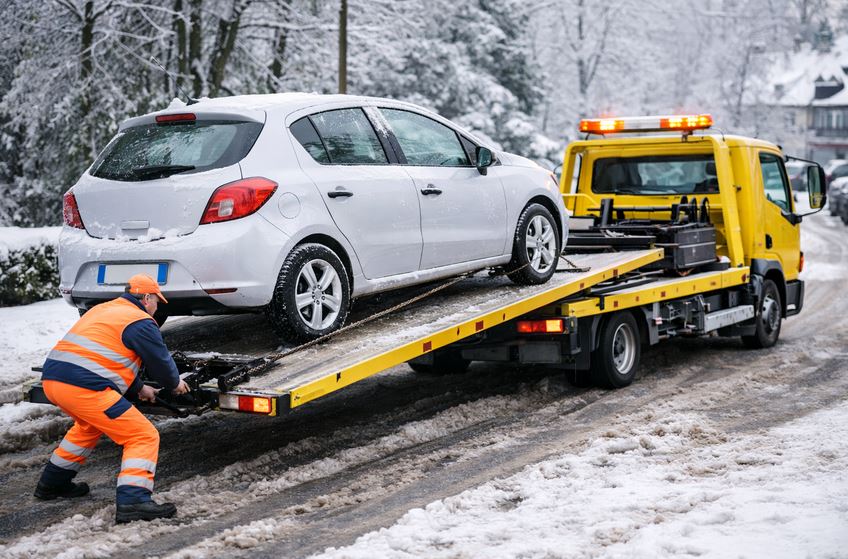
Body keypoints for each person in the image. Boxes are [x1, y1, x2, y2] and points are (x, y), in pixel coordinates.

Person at [33, 274, 189, 524]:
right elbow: (160, 362)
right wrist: (175, 383)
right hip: (85, 387)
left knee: (88, 427)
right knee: (142, 435)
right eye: (156, 301)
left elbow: (104, 354)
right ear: (146, 298)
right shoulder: (141, 321)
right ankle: (134, 501)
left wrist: (139, 387)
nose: (157, 307)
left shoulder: (104, 309)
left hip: (54, 380)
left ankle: (52, 484)